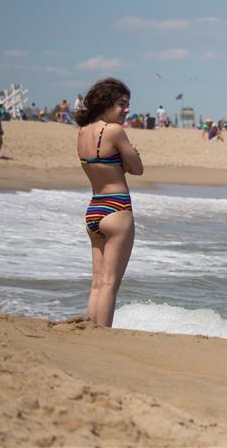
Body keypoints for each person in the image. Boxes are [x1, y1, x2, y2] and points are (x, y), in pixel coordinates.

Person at [76, 78, 143, 327]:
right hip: (117, 208)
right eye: (121, 104)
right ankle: (103, 335)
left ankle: (89, 329)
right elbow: (137, 169)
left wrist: (123, 162)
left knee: (97, 281)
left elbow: (105, 167)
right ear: (105, 103)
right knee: (110, 283)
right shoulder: (113, 131)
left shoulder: (83, 132)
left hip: (94, 209)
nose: (126, 109)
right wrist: (132, 155)